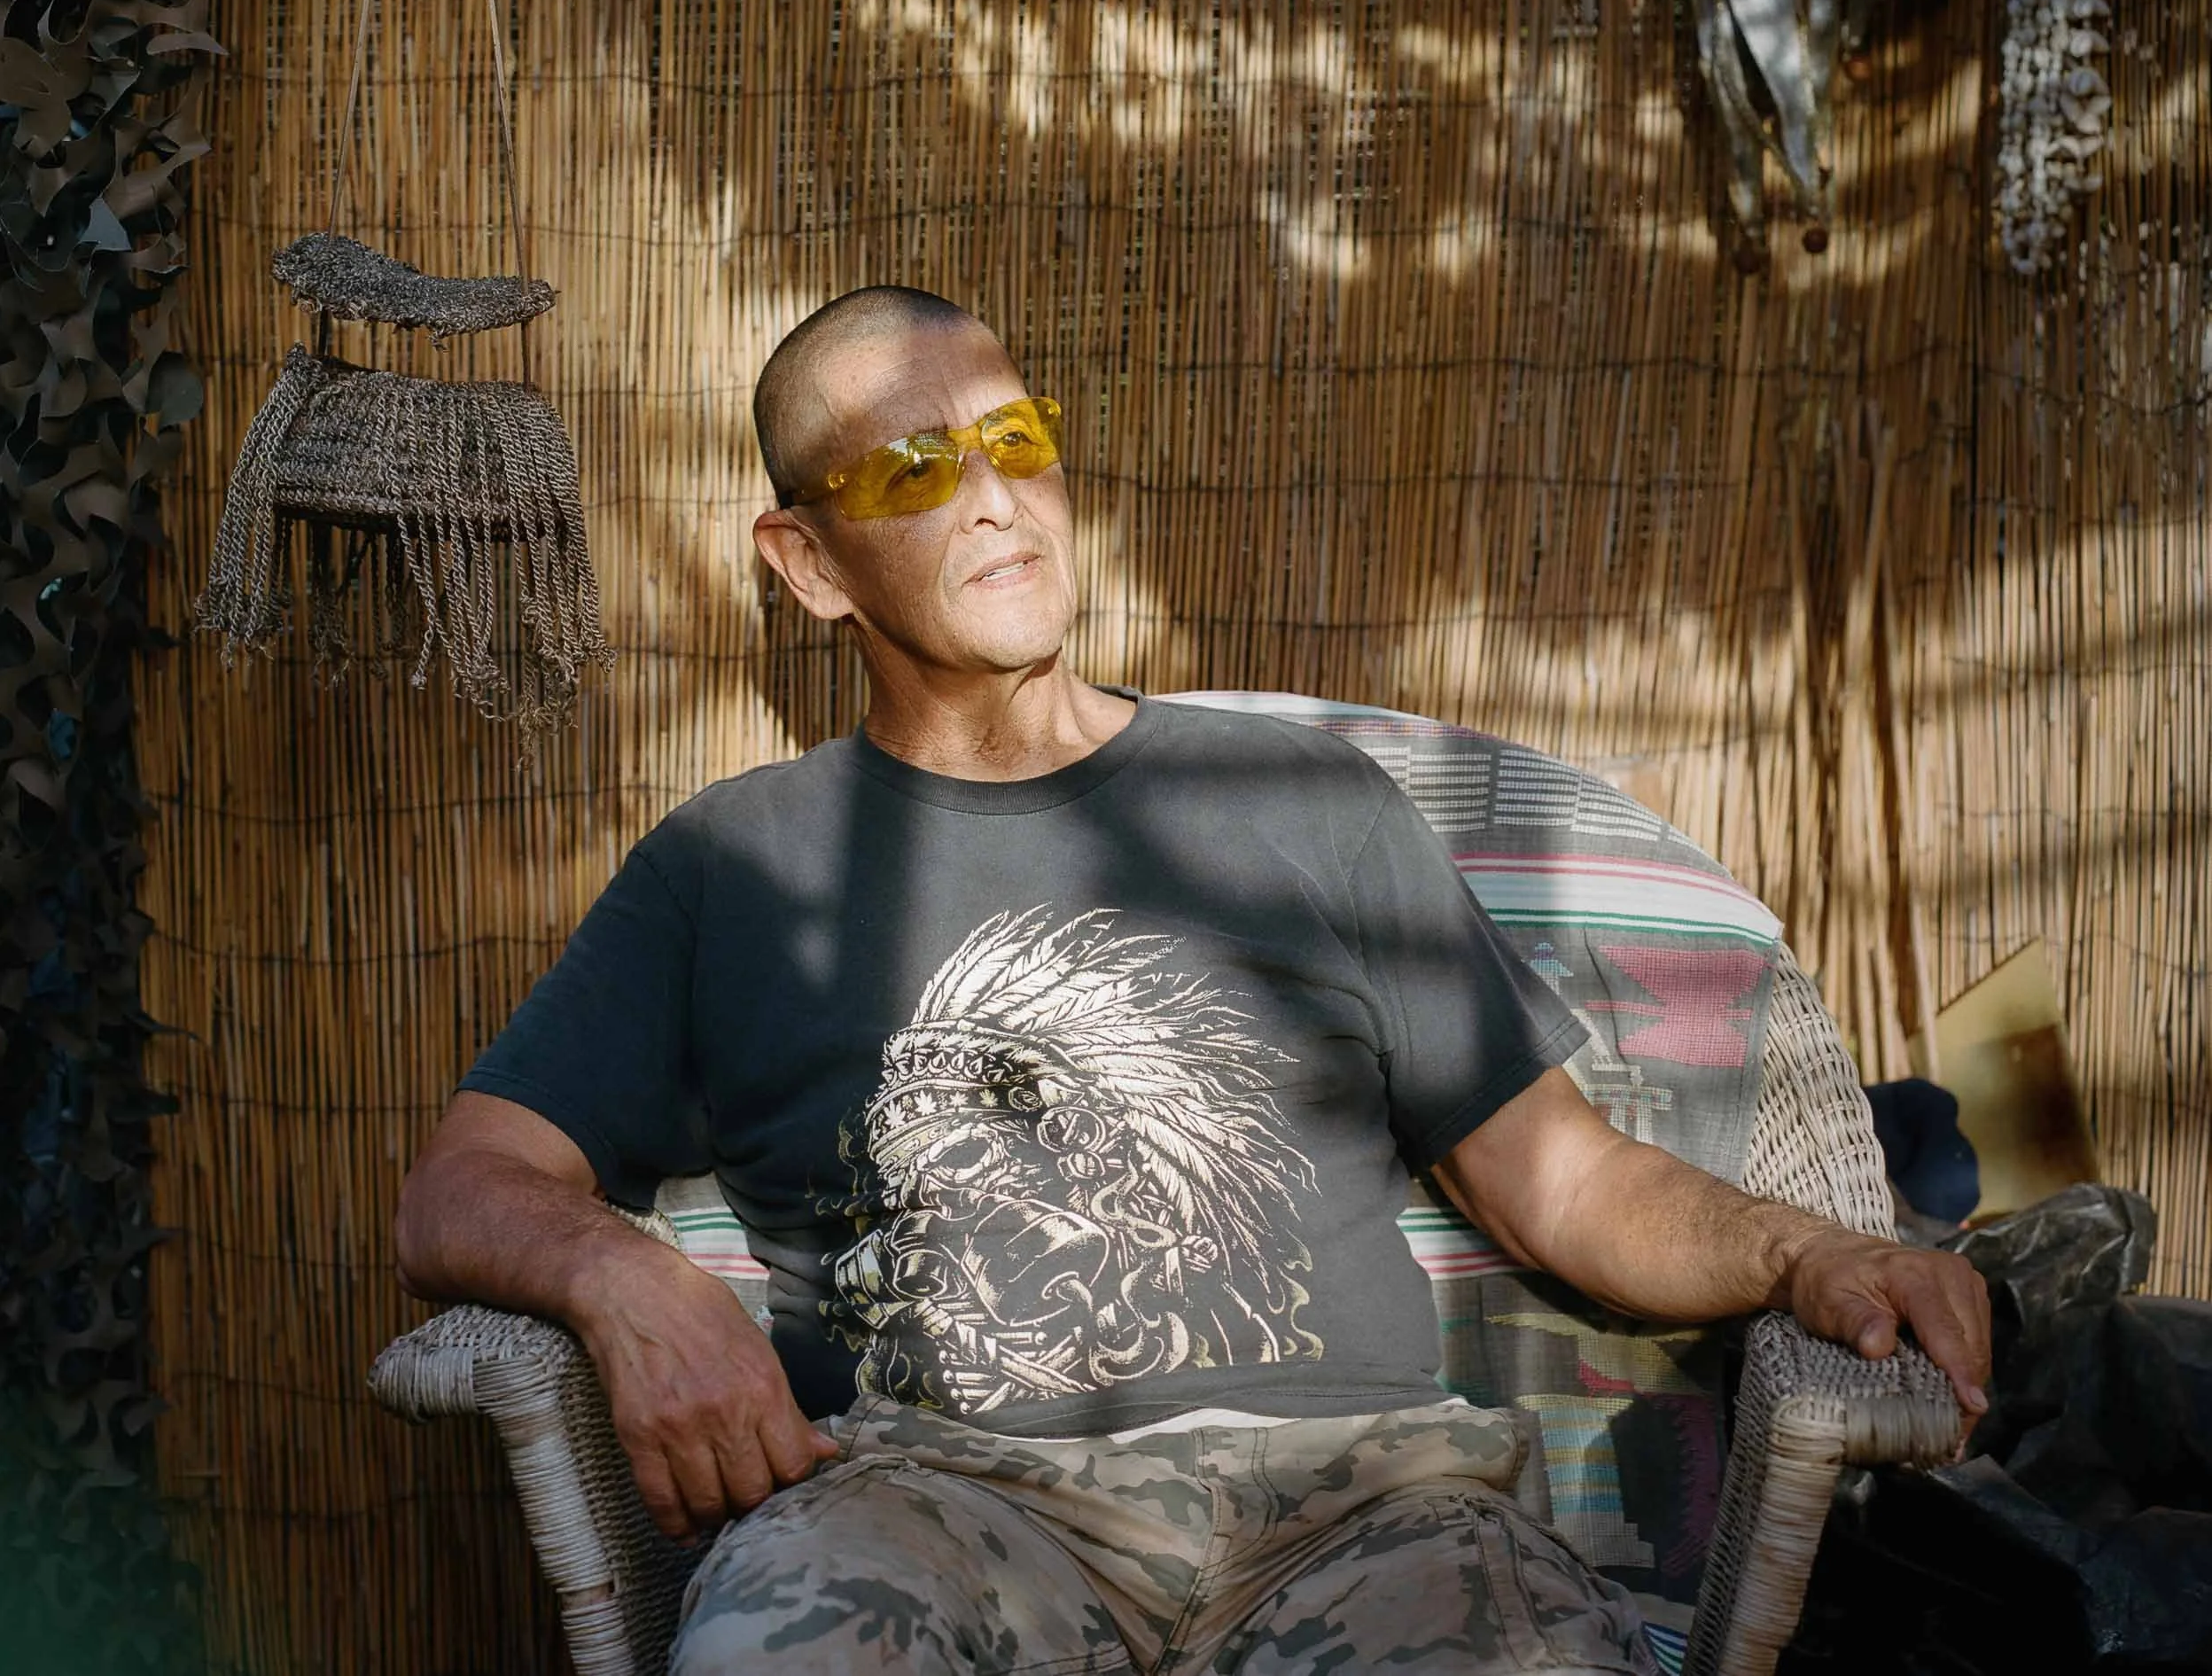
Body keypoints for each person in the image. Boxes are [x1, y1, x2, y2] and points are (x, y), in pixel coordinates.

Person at [395, 286, 1992, 1675]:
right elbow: (464, 1187)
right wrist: (626, 1282)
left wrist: (1810, 1253)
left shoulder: (1301, 809)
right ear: (806, 562)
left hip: (1361, 1514)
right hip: (933, 1511)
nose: (994, 500)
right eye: (912, 466)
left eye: (1018, 441)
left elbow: (1563, 1182)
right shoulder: (737, 869)